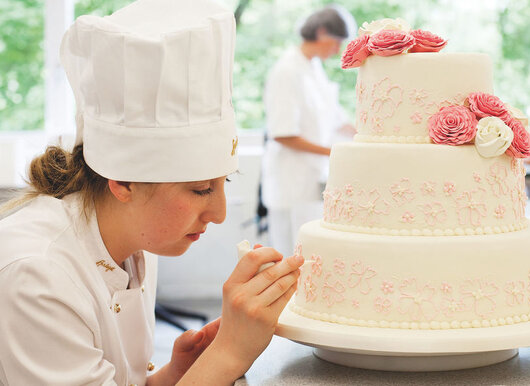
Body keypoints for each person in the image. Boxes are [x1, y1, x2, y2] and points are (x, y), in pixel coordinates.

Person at [0, 0, 303, 385]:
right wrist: (231, 351)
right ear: (123, 182)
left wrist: (174, 374)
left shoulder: (134, 245)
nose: (220, 213)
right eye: (199, 190)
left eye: (222, 183)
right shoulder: (36, 275)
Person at [261, 5, 355, 255]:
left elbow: (336, 119)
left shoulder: (315, 68)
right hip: (291, 180)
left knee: (311, 251)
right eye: (337, 42)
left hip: (313, 177)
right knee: (291, 252)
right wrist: (333, 153)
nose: (338, 50)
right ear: (322, 32)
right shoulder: (288, 70)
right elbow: (283, 134)